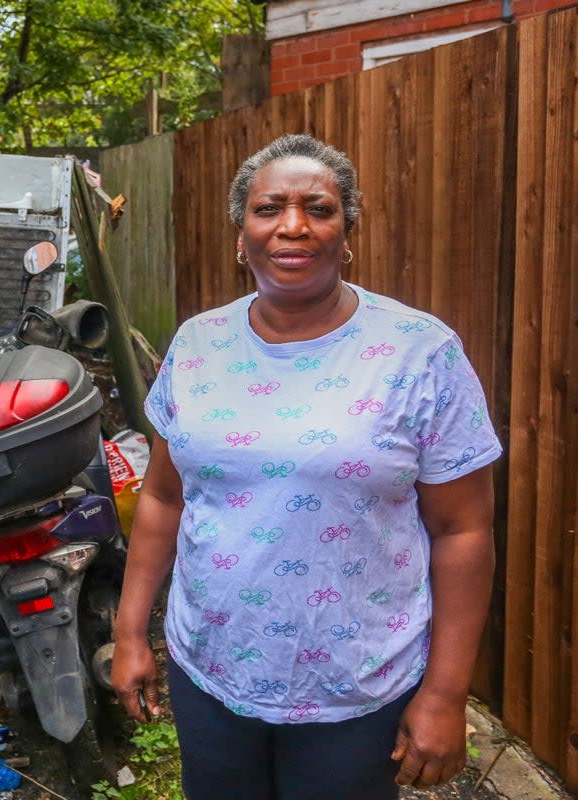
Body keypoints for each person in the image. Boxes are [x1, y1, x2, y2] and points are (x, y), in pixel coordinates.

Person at [111, 133, 502, 800]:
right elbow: (165, 498)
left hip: (357, 686)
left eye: (317, 208)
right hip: (210, 671)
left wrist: (444, 692)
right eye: (270, 209)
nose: (292, 226)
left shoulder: (419, 353)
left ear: (346, 229)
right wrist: (129, 632)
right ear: (243, 230)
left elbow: (463, 531)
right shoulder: (198, 343)